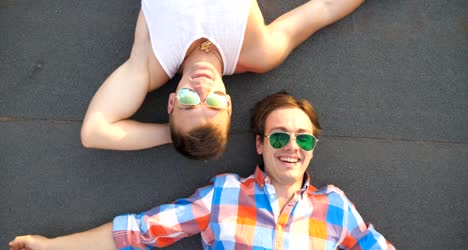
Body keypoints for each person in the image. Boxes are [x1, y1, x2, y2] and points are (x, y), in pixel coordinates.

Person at [9, 92, 408, 250]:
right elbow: (140, 231)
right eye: (280, 135)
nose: (292, 145)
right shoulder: (225, 196)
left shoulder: (335, 209)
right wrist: (53, 248)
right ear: (260, 143)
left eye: (303, 137)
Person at [80, 0, 365, 160]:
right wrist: (185, 130)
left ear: (170, 102)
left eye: (188, 101)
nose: (201, 88)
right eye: (213, 103)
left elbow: (94, 132)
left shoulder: (149, 61)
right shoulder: (258, 52)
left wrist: (178, 136)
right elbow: (324, 8)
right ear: (228, 104)